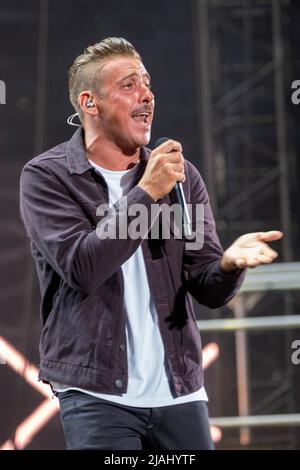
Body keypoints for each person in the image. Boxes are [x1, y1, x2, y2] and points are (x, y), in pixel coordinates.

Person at [19, 37, 282, 450]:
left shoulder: (182, 177)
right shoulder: (48, 177)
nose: (146, 95)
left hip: (180, 391)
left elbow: (207, 288)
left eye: (147, 84)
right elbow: (82, 268)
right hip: (97, 394)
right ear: (90, 103)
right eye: (128, 85)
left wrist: (229, 264)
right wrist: (144, 193)